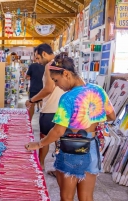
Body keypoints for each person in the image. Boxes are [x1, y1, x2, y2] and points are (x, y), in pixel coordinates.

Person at [25, 52, 116, 201]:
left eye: (56, 80)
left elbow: (58, 131)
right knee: (87, 197)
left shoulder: (67, 98)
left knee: (66, 197)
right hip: (92, 148)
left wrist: (39, 144)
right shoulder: (98, 90)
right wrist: (89, 118)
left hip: (71, 150)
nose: (56, 85)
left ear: (66, 74)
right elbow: (111, 116)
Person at [26, 44, 64, 172]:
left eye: (38, 58)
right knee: (59, 141)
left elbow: (48, 88)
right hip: (62, 109)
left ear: (43, 54)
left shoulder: (49, 66)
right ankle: (59, 170)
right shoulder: (62, 62)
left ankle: (40, 165)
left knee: (45, 139)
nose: (38, 62)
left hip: (50, 110)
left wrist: (32, 99)